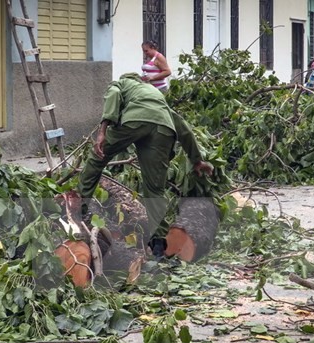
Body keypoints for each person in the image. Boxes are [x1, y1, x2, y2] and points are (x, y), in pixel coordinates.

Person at [77, 73, 213, 257]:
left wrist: (102, 132)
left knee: (97, 159)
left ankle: (79, 210)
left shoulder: (121, 83)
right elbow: (183, 127)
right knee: (154, 190)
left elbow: (113, 95)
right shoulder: (154, 93)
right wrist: (197, 160)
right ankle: (158, 247)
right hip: (163, 128)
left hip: (134, 121)